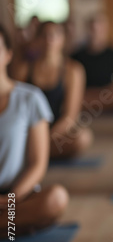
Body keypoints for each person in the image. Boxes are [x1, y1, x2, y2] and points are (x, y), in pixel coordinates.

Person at [0, 24, 69, 237]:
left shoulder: (30, 98)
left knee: (56, 198)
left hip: (17, 196)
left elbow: (38, 163)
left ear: (8, 54)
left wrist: (11, 198)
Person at [12, 22, 93, 159]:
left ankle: (35, 154)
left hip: (56, 132)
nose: (49, 39)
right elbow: (16, 108)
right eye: (44, 35)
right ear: (37, 40)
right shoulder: (24, 69)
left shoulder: (73, 70)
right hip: (30, 131)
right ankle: (36, 153)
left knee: (83, 138)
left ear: (63, 39)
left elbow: (70, 116)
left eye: (55, 34)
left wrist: (44, 139)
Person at [71, 12, 113, 111]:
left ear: (106, 29)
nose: (96, 32)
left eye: (100, 28)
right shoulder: (77, 55)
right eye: (93, 28)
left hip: (108, 96)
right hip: (85, 96)